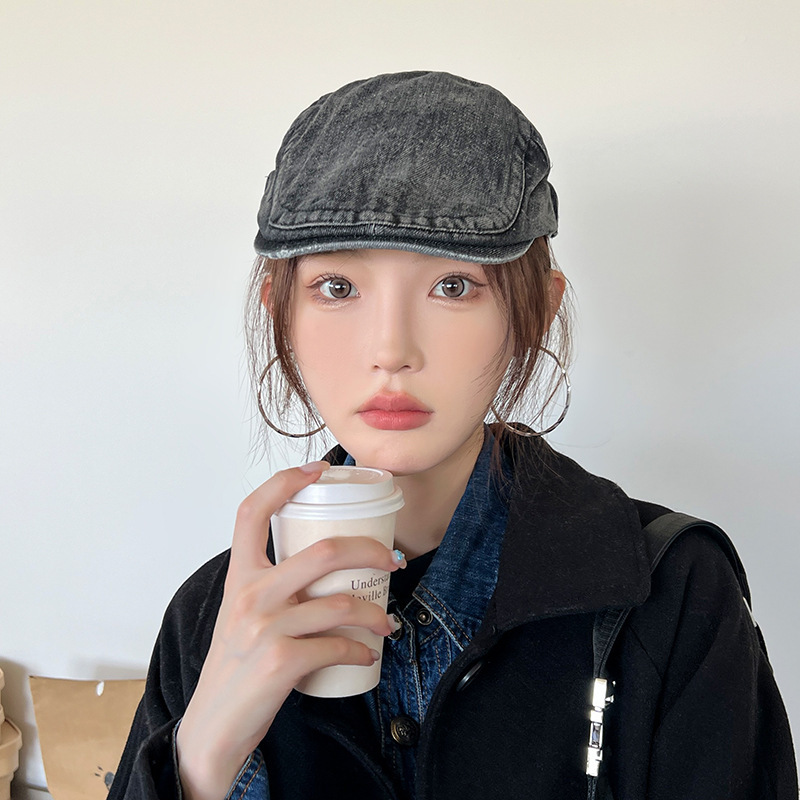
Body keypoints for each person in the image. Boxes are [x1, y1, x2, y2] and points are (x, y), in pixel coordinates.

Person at [109, 71, 797, 800]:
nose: (392, 349)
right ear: (283, 310)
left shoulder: (673, 593)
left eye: (454, 286)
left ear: (531, 313)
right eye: (338, 288)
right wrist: (203, 754)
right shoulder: (215, 614)